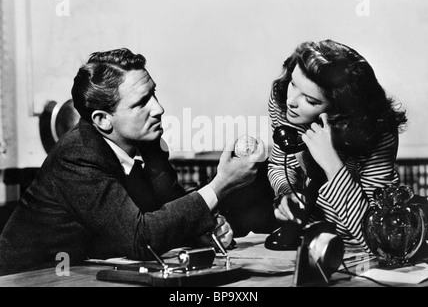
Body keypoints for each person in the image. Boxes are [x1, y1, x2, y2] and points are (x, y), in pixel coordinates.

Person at [0, 48, 265, 275]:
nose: (158, 108)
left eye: (154, 94)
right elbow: (141, 237)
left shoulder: (147, 143)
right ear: (103, 120)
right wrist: (221, 184)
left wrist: (201, 230)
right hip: (30, 277)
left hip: (86, 272)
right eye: (141, 103)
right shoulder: (75, 157)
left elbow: (168, 209)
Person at [267, 39, 407, 249]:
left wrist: (331, 163)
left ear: (339, 109)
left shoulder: (378, 130)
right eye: (293, 84)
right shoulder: (285, 103)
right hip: (311, 236)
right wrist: (286, 192)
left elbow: (377, 238)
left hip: (356, 244)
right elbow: (279, 164)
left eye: (311, 100)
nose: (291, 101)